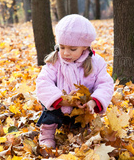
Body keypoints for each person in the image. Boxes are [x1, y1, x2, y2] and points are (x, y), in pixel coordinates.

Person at [36, 14, 114, 148]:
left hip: (83, 108)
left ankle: (78, 131)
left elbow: (105, 84)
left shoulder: (96, 63)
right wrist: (62, 100)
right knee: (50, 113)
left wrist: (93, 102)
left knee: (82, 125)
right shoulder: (55, 62)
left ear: (85, 47)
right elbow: (43, 82)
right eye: (62, 47)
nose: (66, 53)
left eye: (72, 49)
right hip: (59, 105)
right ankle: (47, 134)